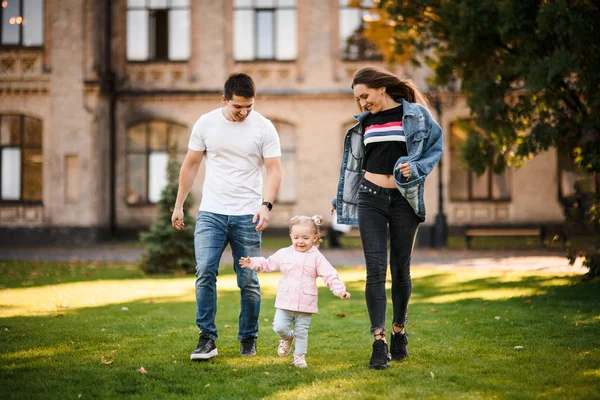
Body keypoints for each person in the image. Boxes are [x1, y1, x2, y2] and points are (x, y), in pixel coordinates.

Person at [331, 67, 443, 369]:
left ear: (381, 88)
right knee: (375, 270)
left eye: (364, 96)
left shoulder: (416, 115)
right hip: (370, 198)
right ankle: (379, 342)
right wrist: (339, 199)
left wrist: (416, 169)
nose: (362, 103)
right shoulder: (362, 124)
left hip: (404, 200)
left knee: (401, 269)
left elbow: (435, 147)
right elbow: (353, 168)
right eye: (357, 99)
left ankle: (398, 331)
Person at [172, 73, 282, 361]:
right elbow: (191, 165)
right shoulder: (206, 123)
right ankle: (207, 339)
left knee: (248, 280)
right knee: (205, 271)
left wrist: (266, 205)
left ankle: (248, 339)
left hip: (248, 215)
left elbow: (274, 169)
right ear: (224, 99)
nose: (244, 113)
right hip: (212, 213)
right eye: (238, 107)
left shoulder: (264, 127)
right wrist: (178, 205)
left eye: (249, 106)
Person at [239, 215, 351, 368]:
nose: (300, 241)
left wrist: (339, 290)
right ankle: (287, 337)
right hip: (285, 300)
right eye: (296, 237)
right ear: (291, 236)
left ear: (314, 237)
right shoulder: (284, 253)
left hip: (306, 302)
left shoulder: (317, 257)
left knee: (302, 332)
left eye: (305, 238)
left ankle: (299, 357)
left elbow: (329, 274)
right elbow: (268, 263)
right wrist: (252, 262)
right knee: (278, 326)